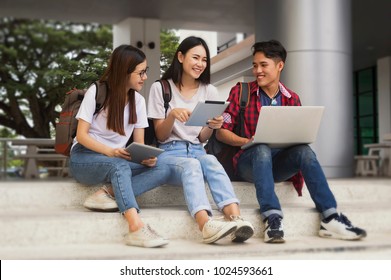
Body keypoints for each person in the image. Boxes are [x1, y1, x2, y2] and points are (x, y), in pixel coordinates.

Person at [216, 39, 367, 243]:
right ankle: (272, 218)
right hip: (248, 162)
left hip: (278, 164)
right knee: (260, 148)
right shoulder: (241, 92)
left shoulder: (292, 99)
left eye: (263, 65)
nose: (257, 70)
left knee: (304, 151)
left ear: (280, 66)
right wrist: (248, 140)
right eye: (255, 65)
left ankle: (330, 217)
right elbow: (221, 133)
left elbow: (298, 139)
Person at [147, 36, 254, 244]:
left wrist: (211, 126)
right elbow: (160, 135)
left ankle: (235, 217)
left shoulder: (209, 90)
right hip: (169, 153)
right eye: (195, 57)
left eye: (204, 60)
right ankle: (205, 225)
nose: (200, 64)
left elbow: (202, 137)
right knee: (192, 166)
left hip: (197, 149)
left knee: (212, 161)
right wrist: (172, 116)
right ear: (180, 56)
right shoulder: (160, 88)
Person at [69, 45, 170, 248]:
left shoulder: (138, 101)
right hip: (84, 157)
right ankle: (135, 227)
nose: (145, 77)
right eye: (140, 72)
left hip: (117, 158)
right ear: (124, 71)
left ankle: (105, 194)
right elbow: (81, 136)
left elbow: (139, 145)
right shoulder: (97, 91)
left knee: (163, 167)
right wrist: (111, 152)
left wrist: (145, 157)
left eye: (146, 72)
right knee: (119, 166)